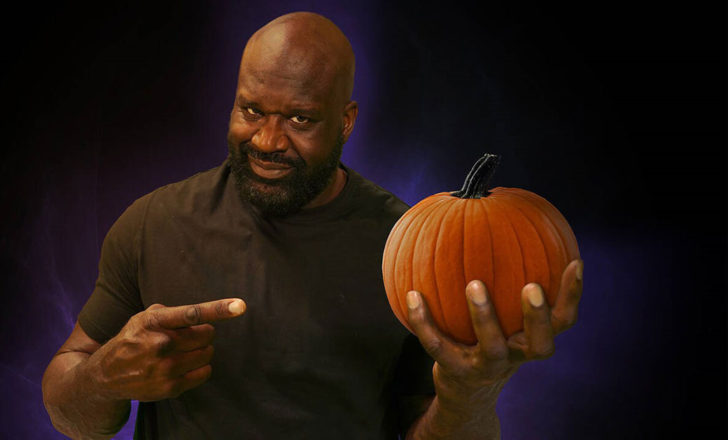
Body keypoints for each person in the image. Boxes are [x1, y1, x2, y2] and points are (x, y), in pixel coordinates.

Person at [42, 11, 584, 439]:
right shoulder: (151, 224)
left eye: (299, 118)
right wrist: (103, 378)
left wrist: (472, 395)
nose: (268, 140)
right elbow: (72, 410)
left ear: (345, 121)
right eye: (251, 110)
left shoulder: (408, 250)